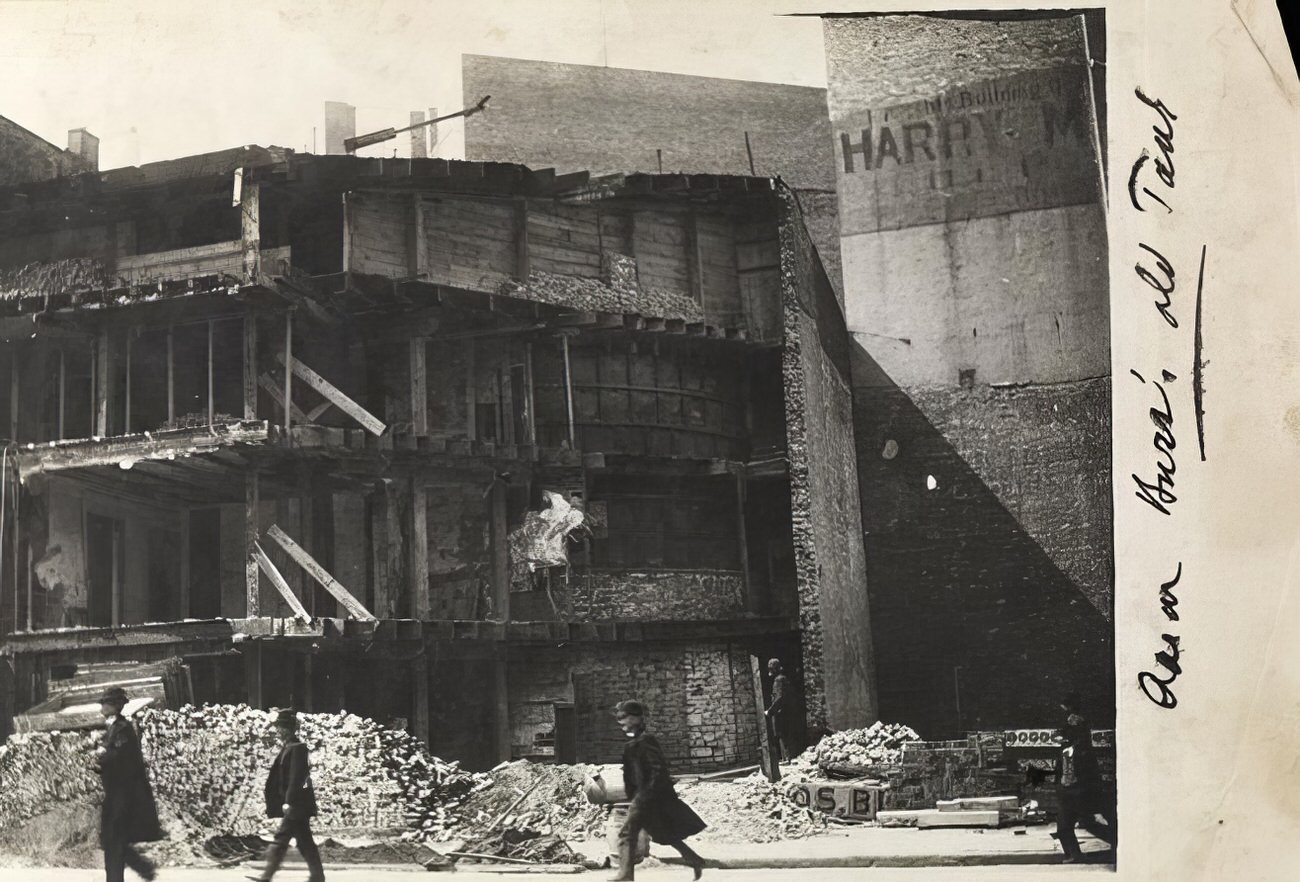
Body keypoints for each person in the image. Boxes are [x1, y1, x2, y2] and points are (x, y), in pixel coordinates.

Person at [611, 700, 706, 882]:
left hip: (647, 797)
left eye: (624, 717)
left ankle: (625, 876)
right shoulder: (633, 743)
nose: (620, 722)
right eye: (619, 718)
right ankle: (694, 859)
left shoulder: (646, 741)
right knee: (662, 832)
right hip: (642, 796)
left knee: (626, 833)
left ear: (637, 718)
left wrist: (644, 796)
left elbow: (657, 770)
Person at [248, 709, 324, 882]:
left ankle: (267, 876)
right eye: (278, 728)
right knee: (305, 843)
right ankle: (318, 876)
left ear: (289, 729)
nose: (278, 731)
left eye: (281, 728)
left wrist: (288, 802)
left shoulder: (297, 748)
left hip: (296, 805)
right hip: (297, 805)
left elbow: (296, 778)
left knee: (281, 840)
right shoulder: (288, 748)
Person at [95, 687, 162, 882]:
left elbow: (119, 757)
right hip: (116, 792)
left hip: (123, 794)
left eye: (105, 703)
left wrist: (102, 758)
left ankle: (126, 875)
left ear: (114, 706)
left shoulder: (123, 728)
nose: (102, 706)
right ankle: (142, 868)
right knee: (113, 841)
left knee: (114, 841)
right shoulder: (114, 727)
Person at [1055, 692, 1117, 863]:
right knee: (1070, 825)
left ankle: (1077, 854)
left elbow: (1078, 770)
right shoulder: (1073, 749)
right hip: (1073, 791)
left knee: (1075, 824)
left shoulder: (1077, 750)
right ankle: (1075, 854)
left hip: (1077, 792)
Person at [763, 659, 793, 761]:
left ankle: (787, 758)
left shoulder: (778, 680)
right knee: (782, 734)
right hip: (783, 711)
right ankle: (786, 758)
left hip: (780, 712)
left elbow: (779, 698)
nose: (769, 671)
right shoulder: (782, 679)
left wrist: (770, 711)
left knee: (781, 734)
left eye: (771, 669)